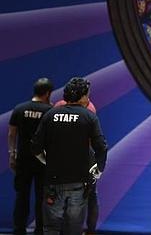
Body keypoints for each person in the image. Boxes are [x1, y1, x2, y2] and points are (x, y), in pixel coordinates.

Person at [31, 77, 107, 235]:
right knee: (73, 229)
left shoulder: (50, 114)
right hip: (78, 182)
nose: (88, 98)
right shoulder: (89, 117)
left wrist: (46, 161)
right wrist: (98, 171)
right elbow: (101, 148)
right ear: (81, 96)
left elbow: (35, 147)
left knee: (51, 228)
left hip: (53, 181)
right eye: (87, 95)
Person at [8, 78, 54, 235]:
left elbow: (12, 134)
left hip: (23, 160)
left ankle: (18, 230)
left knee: (22, 196)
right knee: (42, 198)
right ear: (48, 93)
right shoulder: (50, 111)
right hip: (43, 161)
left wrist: (12, 155)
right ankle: (40, 230)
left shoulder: (19, 109)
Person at [54, 99, 99, 235]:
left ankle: (67, 230)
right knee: (88, 196)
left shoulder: (60, 106)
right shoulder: (90, 108)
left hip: (65, 158)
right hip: (84, 157)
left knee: (71, 195)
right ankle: (85, 231)